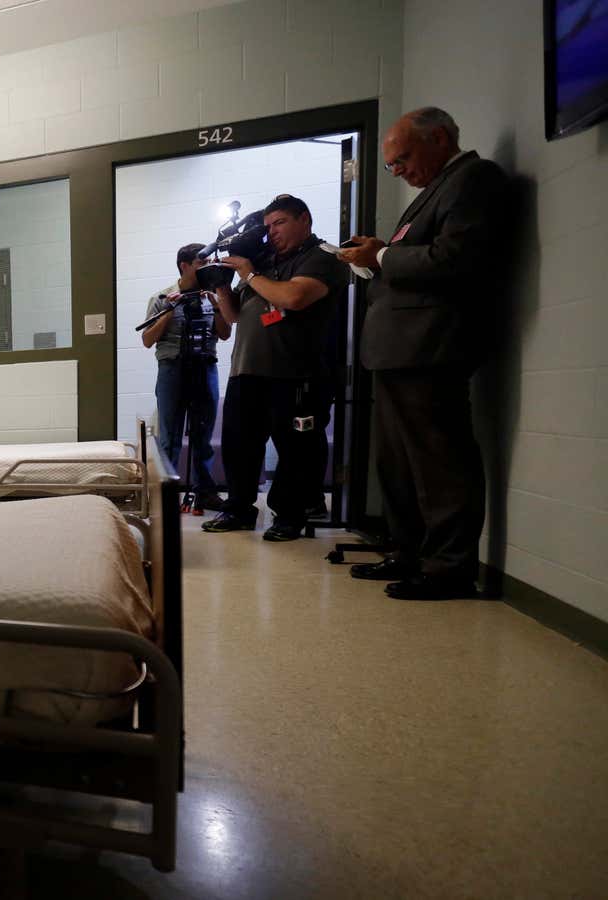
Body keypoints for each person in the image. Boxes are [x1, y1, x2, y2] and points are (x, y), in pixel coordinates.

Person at [338, 107, 507, 601]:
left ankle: (449, 569)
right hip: (396, 350)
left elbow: (455, 258)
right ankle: (408, 553)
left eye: (403, 159)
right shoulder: (433, 192)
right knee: (398, 466)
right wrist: (377, 254)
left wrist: (383, 256)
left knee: (439, 464)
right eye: (392, 165)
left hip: (431, 347)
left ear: (439, 138)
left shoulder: (474, 179)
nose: (400, 172)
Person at [202, 194, 348, 541]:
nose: (272, 232)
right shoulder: (263, 261)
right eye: (268, 226)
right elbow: (234, 316)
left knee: (295, 448)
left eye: (279, 223)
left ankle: (289, 515)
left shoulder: (322, 257)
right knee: (239, 445)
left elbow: (293, 298)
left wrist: (248, 273)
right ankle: (239, 508)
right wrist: (223, 285)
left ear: (305, 220)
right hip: (247, 370)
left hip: (296, 373)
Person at [140, 243, 231, 510]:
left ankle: (204, 491)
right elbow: (147, 340)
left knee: (203, 436)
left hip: (205, 366)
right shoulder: (161, 297)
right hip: (171, 369)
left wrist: (216, 305)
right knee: (170, 437)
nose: (207, 269)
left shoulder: (213, 295)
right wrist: (169, 311)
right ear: (185, 266)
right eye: (201, 264)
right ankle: (166, 495)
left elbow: (225, 334)